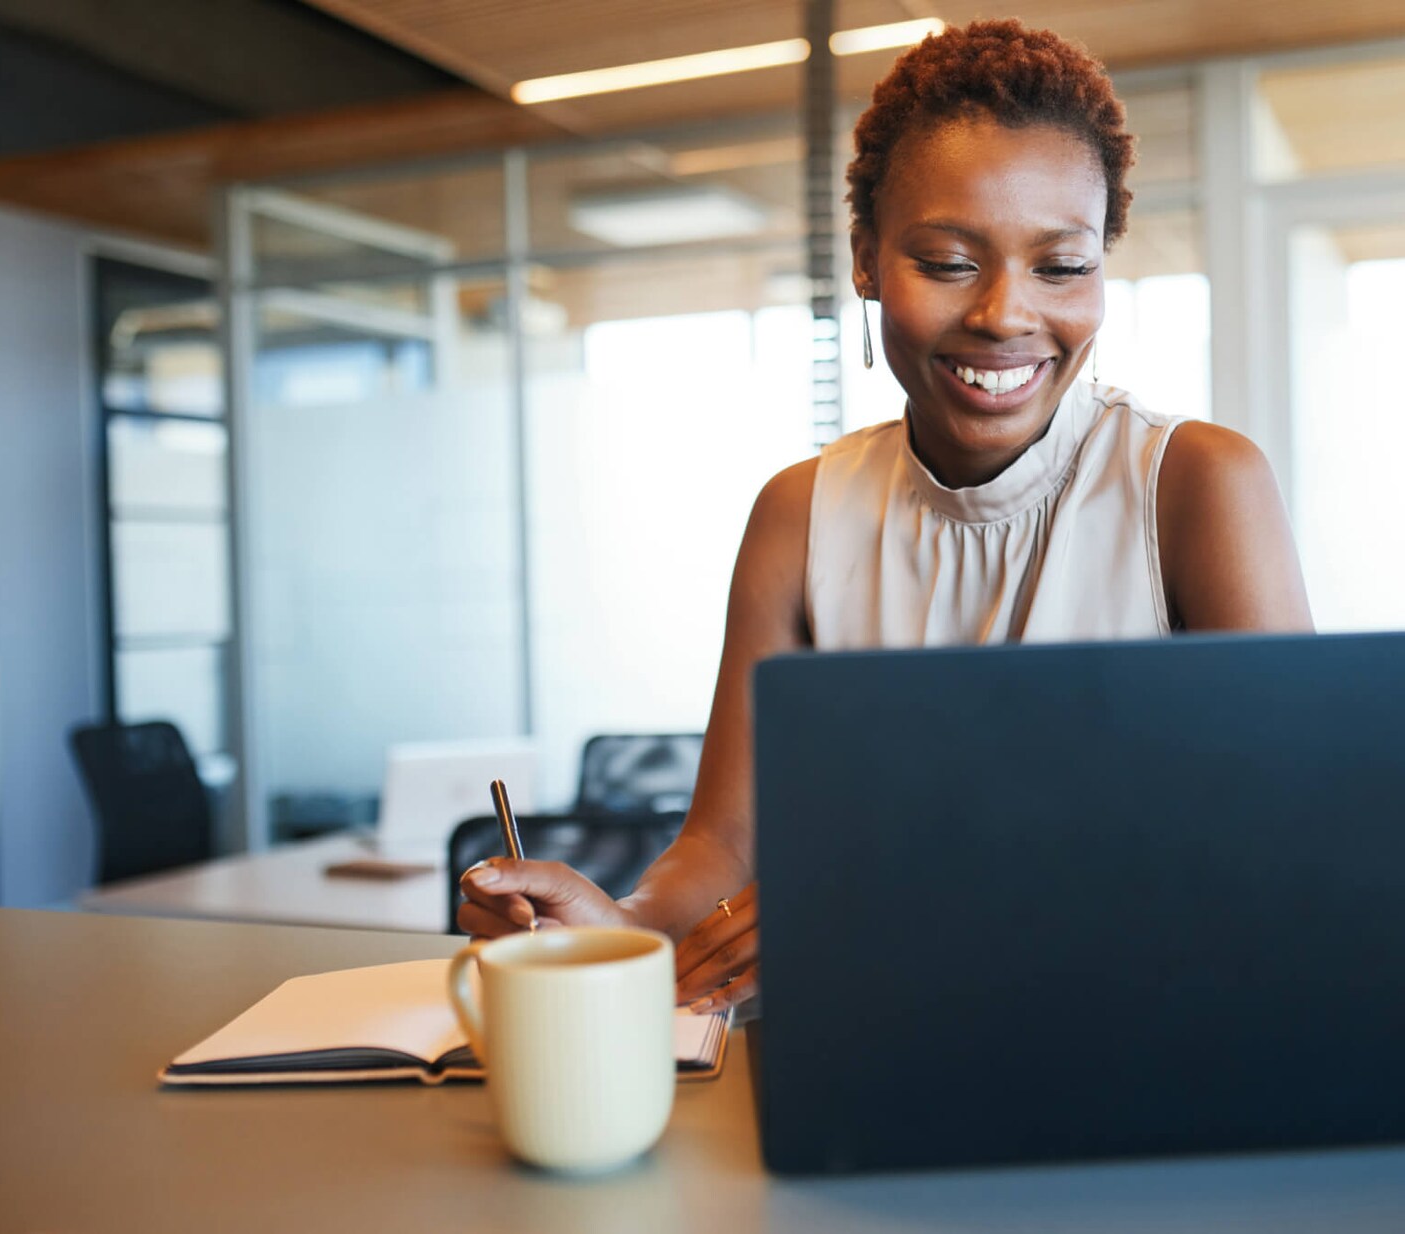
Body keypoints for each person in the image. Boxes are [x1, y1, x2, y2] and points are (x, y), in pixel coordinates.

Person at [456, 19, 1313, 1014]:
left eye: (1062, 266)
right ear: (865, 260)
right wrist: (625, 928)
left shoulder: (1196, 485)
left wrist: (891, 897)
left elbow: (1282, 849)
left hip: (1135, 1037)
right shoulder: (800, 512)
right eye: (949, 262)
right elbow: (725, 842)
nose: (1004, 313)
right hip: (873, 1044)